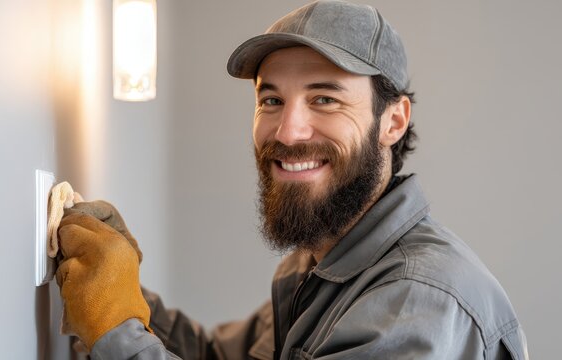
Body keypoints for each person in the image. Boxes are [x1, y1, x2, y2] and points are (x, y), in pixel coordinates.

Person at [55, 1, 529, 359]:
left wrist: (116, 328)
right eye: (272, 100)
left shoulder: (416, 302)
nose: (287, 132)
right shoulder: (319, 262)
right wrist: (117, 285)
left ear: (393, 120)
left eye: (324, 99)